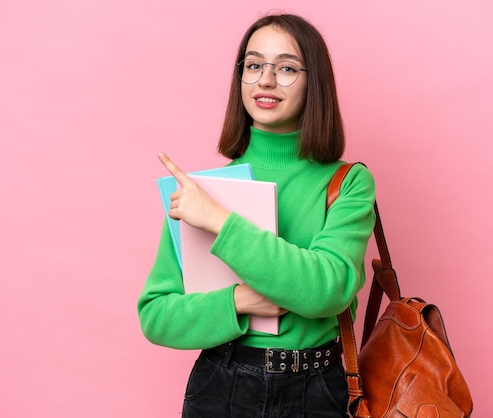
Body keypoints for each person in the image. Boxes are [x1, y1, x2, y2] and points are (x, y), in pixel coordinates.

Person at [138, 13, 375, 417]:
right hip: (223, 384)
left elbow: (328, 290)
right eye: (253, 65)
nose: (265, 80)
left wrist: (219, 222)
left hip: (319, 387)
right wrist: (239, 301)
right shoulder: (202, 190)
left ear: (313, 82)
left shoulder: (348, 182)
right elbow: (156, 316)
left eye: (285, 68)